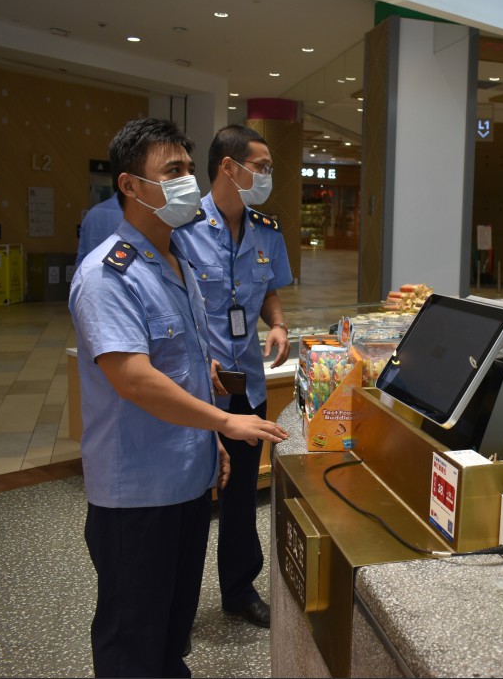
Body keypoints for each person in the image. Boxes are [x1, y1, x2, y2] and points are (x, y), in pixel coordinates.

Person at [69, 118, 288, 678]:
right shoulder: (108, 276)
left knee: (171, 633)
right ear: (131, 186)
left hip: (187, 479)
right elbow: (135, 379)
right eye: (173, 171)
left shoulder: (176, 264)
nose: (188, 181)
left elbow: (189, 364)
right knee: (133, 639)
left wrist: (209, 440)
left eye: (188, 169)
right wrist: (226, 422)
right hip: (137, 492)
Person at [173, 124, 293, 629]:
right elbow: (173, 303)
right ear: (230, 167)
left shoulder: (266, 229)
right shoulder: (182, 228)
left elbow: (268, 291)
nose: (267, 176)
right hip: (199, 389)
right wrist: (199, 360)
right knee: (191, 496)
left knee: (242, 495)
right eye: (261, 167)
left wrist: (280, 324)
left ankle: (240, 590)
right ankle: (176, 597)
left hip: (248, 387)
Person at [76, 194, 123, 268]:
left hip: (89, 274)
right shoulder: (130, 216)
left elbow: (81, 258)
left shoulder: (91, 213)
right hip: (119, 276)